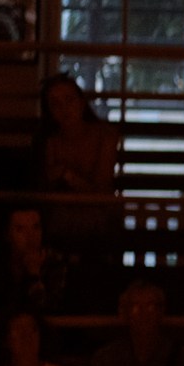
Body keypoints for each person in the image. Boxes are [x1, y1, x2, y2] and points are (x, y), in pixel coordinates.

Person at [34, 73, 121, 260]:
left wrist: (67, 176)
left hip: (97, 213)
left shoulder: (105, 137)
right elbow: (48, 190)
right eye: (55, 104)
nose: (64, 109)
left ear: (81, 103)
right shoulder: (51, 142)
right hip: (63, 215)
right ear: (49, 111)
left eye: (69, 100)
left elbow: (101, 191)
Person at [0, 204, 76, 317]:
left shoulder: (54, 260)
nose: (30, 236)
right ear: (7, 235)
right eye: (20, 229)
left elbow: (52, 311)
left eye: (36, 227)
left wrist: (34, 276)